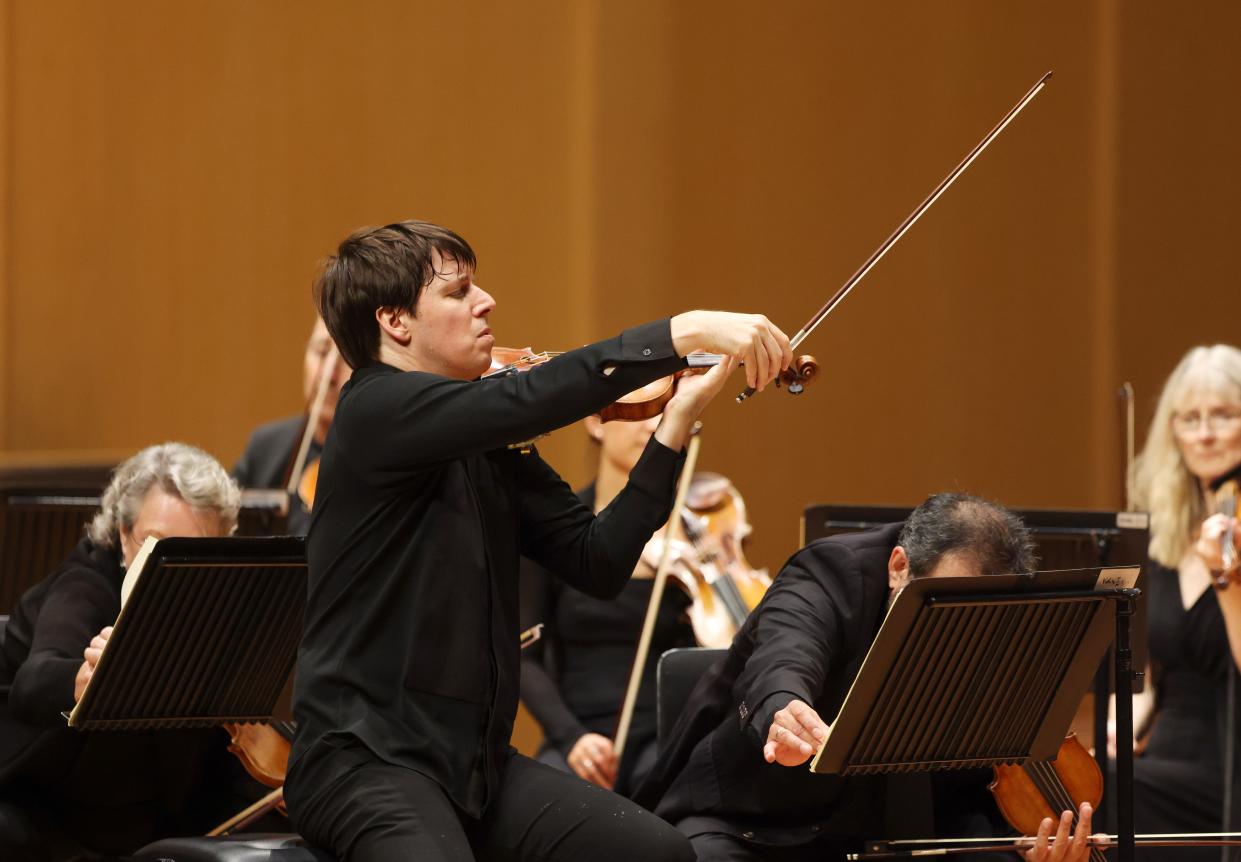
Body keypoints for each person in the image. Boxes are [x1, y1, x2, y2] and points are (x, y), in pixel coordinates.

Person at [282, 219, 793, 862]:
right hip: (364, 762)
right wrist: (681, 332)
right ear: (395, 323)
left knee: (658, 855)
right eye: (458, 291)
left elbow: (598, 560)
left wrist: (675, 425)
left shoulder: (479, 436)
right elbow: (527, 399)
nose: (486, 301)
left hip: (474, 767)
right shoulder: (373, 409)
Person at [634, 492, 1095, 862]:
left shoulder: (1004, 615)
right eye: (942, 609)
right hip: (755, 824)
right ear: (898, 567)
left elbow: (968, 791)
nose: (958, 637)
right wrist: (783, 710)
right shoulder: (829, 573)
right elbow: (784, 655)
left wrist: (1025, 849)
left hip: (891, 831)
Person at [0, 442, 268, 862]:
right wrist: (86, 680)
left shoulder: (220, 603)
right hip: (45, 813)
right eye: (154, 543)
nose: (170, 566)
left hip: (154, 815)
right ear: (124, 535)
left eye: (193, 550)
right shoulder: (86, 586)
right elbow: (34, 683)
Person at [518, 414, 698, 796]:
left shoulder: (698, 535)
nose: (655, 426)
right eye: (642, 411)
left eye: (668, 412)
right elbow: (523, 656)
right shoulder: (556, 532)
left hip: (668, 737)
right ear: (596, 422)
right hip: (579, 734)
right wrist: (572, 738)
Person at [1127, 343, 1241, 860]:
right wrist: (1125, 719)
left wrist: (1228, 583)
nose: (1205, 434)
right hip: (1166, 757)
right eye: (1189, 418)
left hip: (1229, 768)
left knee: (1105, 797)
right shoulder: (1166, 540)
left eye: (1223, 415)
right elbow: (1162, 673)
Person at [233, 317, 352, 535]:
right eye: (321, 352)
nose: (329, 374)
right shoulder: (265, 448)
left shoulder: (378, 459)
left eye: (348, 356)